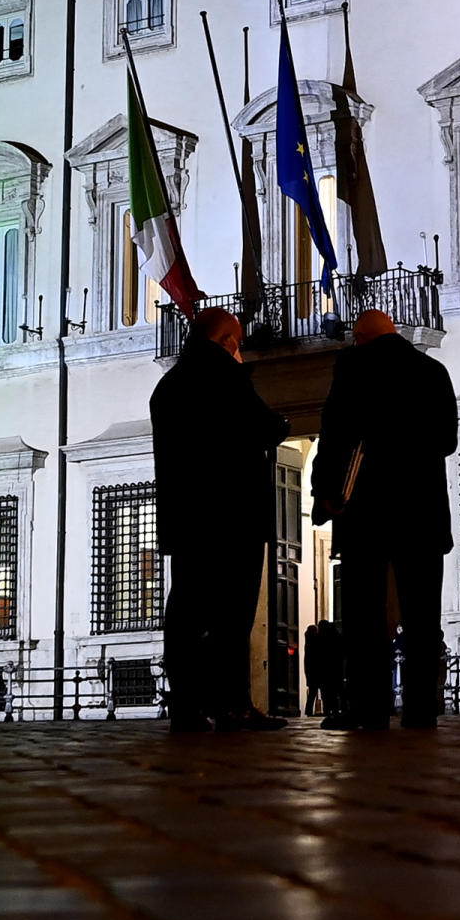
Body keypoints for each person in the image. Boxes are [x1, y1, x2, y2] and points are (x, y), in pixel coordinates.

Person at [311, 307, 458, 730]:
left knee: (365, 615)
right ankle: (420, 708)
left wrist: (326, 494)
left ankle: (369, 710)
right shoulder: (433, 371)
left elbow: (334, 433)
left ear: (359, 337)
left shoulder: (353, 366)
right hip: (423, 510)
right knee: (423, 615)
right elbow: (446, 440)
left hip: (367, 509)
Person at [151, 305, 290, 732]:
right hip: (233, 517)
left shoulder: (168, 386)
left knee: (186, 611)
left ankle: (187, 707)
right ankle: (233, 704)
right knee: (233, 615)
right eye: (239, 341)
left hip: (187, 518)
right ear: (228, 341)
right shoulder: (227, 377)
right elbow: (269, 429)